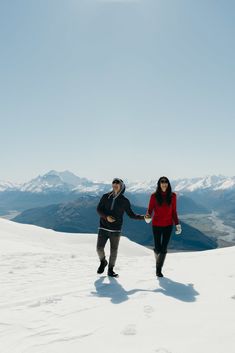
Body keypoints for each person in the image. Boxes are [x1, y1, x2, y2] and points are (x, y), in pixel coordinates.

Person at [96, 178, 146, 277]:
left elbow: (131, 215)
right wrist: (106, 217)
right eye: (113, 182)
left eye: (117, 183)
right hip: (103, 227)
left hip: (116, 230)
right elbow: (98, 209)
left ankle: (110, 270)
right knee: (99, 248)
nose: (115, 184)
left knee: (113, 251)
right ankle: (103, 262)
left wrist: (143, 217)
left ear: (121, 186)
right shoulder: (105, 196)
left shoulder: (125, 201)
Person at [146, 176, 182, 277]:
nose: (164, 183)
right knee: (157, 248)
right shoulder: (154, 196)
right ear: (159, 184)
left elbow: (174, 211)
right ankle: (159, 264)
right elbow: (150, 209)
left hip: (168, 225)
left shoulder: (173, 196)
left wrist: (177, 224)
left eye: (166, 182)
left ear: (168, 184)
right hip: (156, 225)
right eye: (162, 182)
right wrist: (148, 216)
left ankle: (158, 270)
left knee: (164, 248)